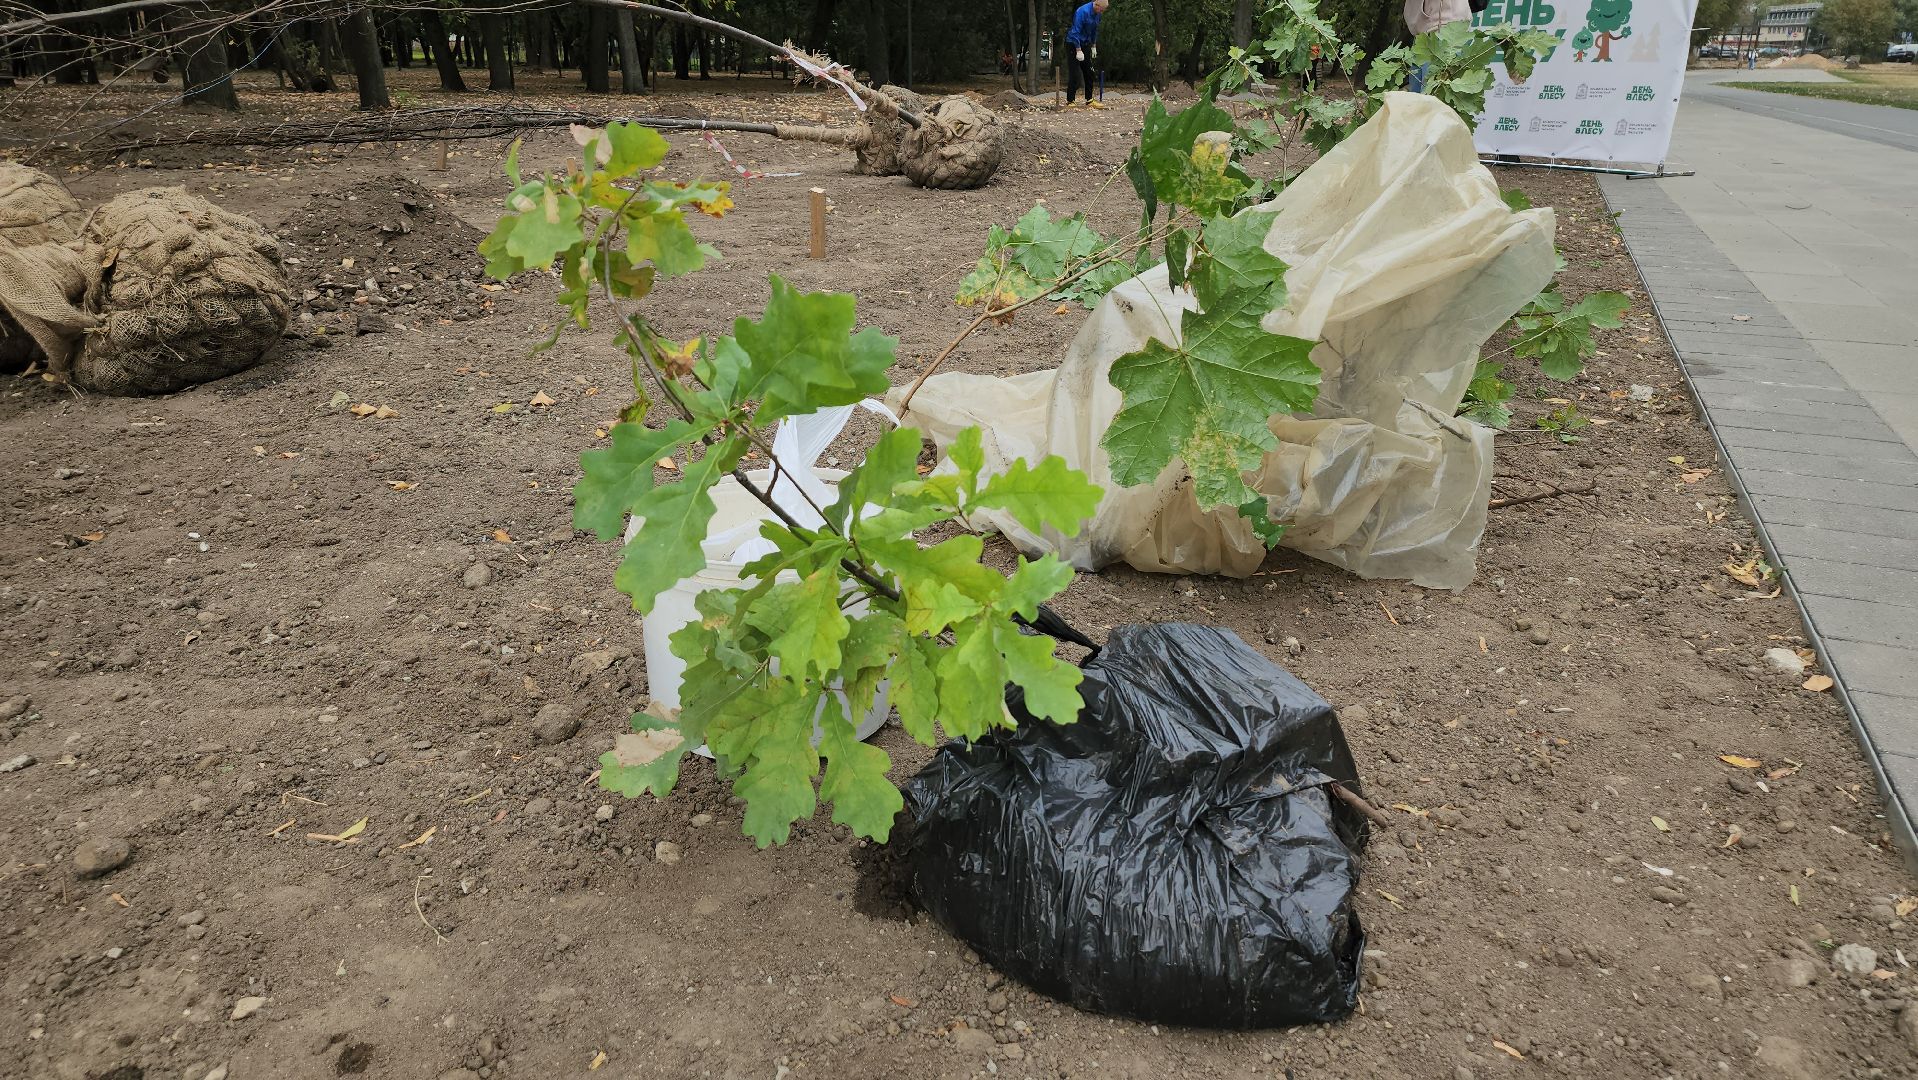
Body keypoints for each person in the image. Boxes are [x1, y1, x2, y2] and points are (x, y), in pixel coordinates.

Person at [1065, 0, 1108, 108]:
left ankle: (1089, 100)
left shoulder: (1097, 14)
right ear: (1096, 5)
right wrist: (1078, 49)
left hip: (1086, 43)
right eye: (1101, 10)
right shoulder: (1082, 11)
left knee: (1089, 72)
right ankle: (1070, 100)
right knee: (1074, 74)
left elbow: (1094, 30)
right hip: (1073, 43)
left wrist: (1093, 45)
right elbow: (1075, 31)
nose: (1101, 12)